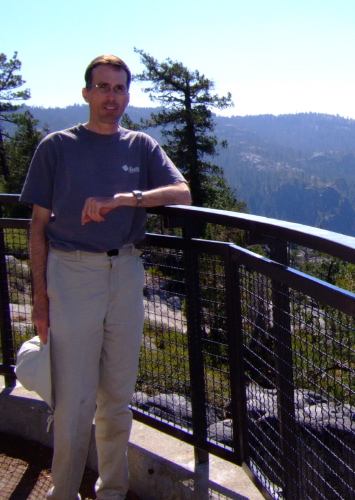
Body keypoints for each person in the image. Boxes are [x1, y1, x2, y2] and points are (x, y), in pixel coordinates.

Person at [20, 55, 191, 500]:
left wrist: (126, 199)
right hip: (71, 273)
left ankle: (112, 491)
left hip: (126, 273)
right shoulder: (56, 147)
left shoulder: (141, 146)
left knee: (116, 399)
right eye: (102, 87)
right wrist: (41, 300)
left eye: (118, 89)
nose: (111, 97)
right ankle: (64, 492)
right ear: (86, 93)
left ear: (127, 95)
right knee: (73, 402)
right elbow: (37, 226)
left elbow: (183, 193)